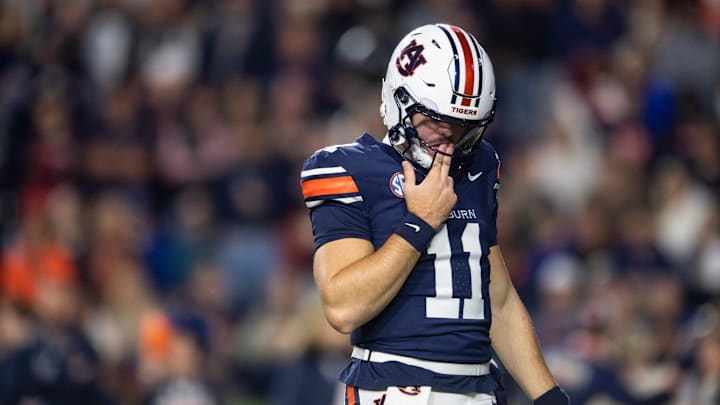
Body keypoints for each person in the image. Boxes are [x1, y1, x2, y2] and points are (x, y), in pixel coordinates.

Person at [300, 24, 569, 405]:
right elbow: (343, 308)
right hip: (394, 388)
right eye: (433, 122)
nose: (447, 139)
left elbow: (498, 298)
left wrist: (549, 396)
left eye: (460, 128)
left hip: (480, 388)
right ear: (398, 100)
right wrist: (420, 222)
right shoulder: (345, 167)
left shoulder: (481, 163)